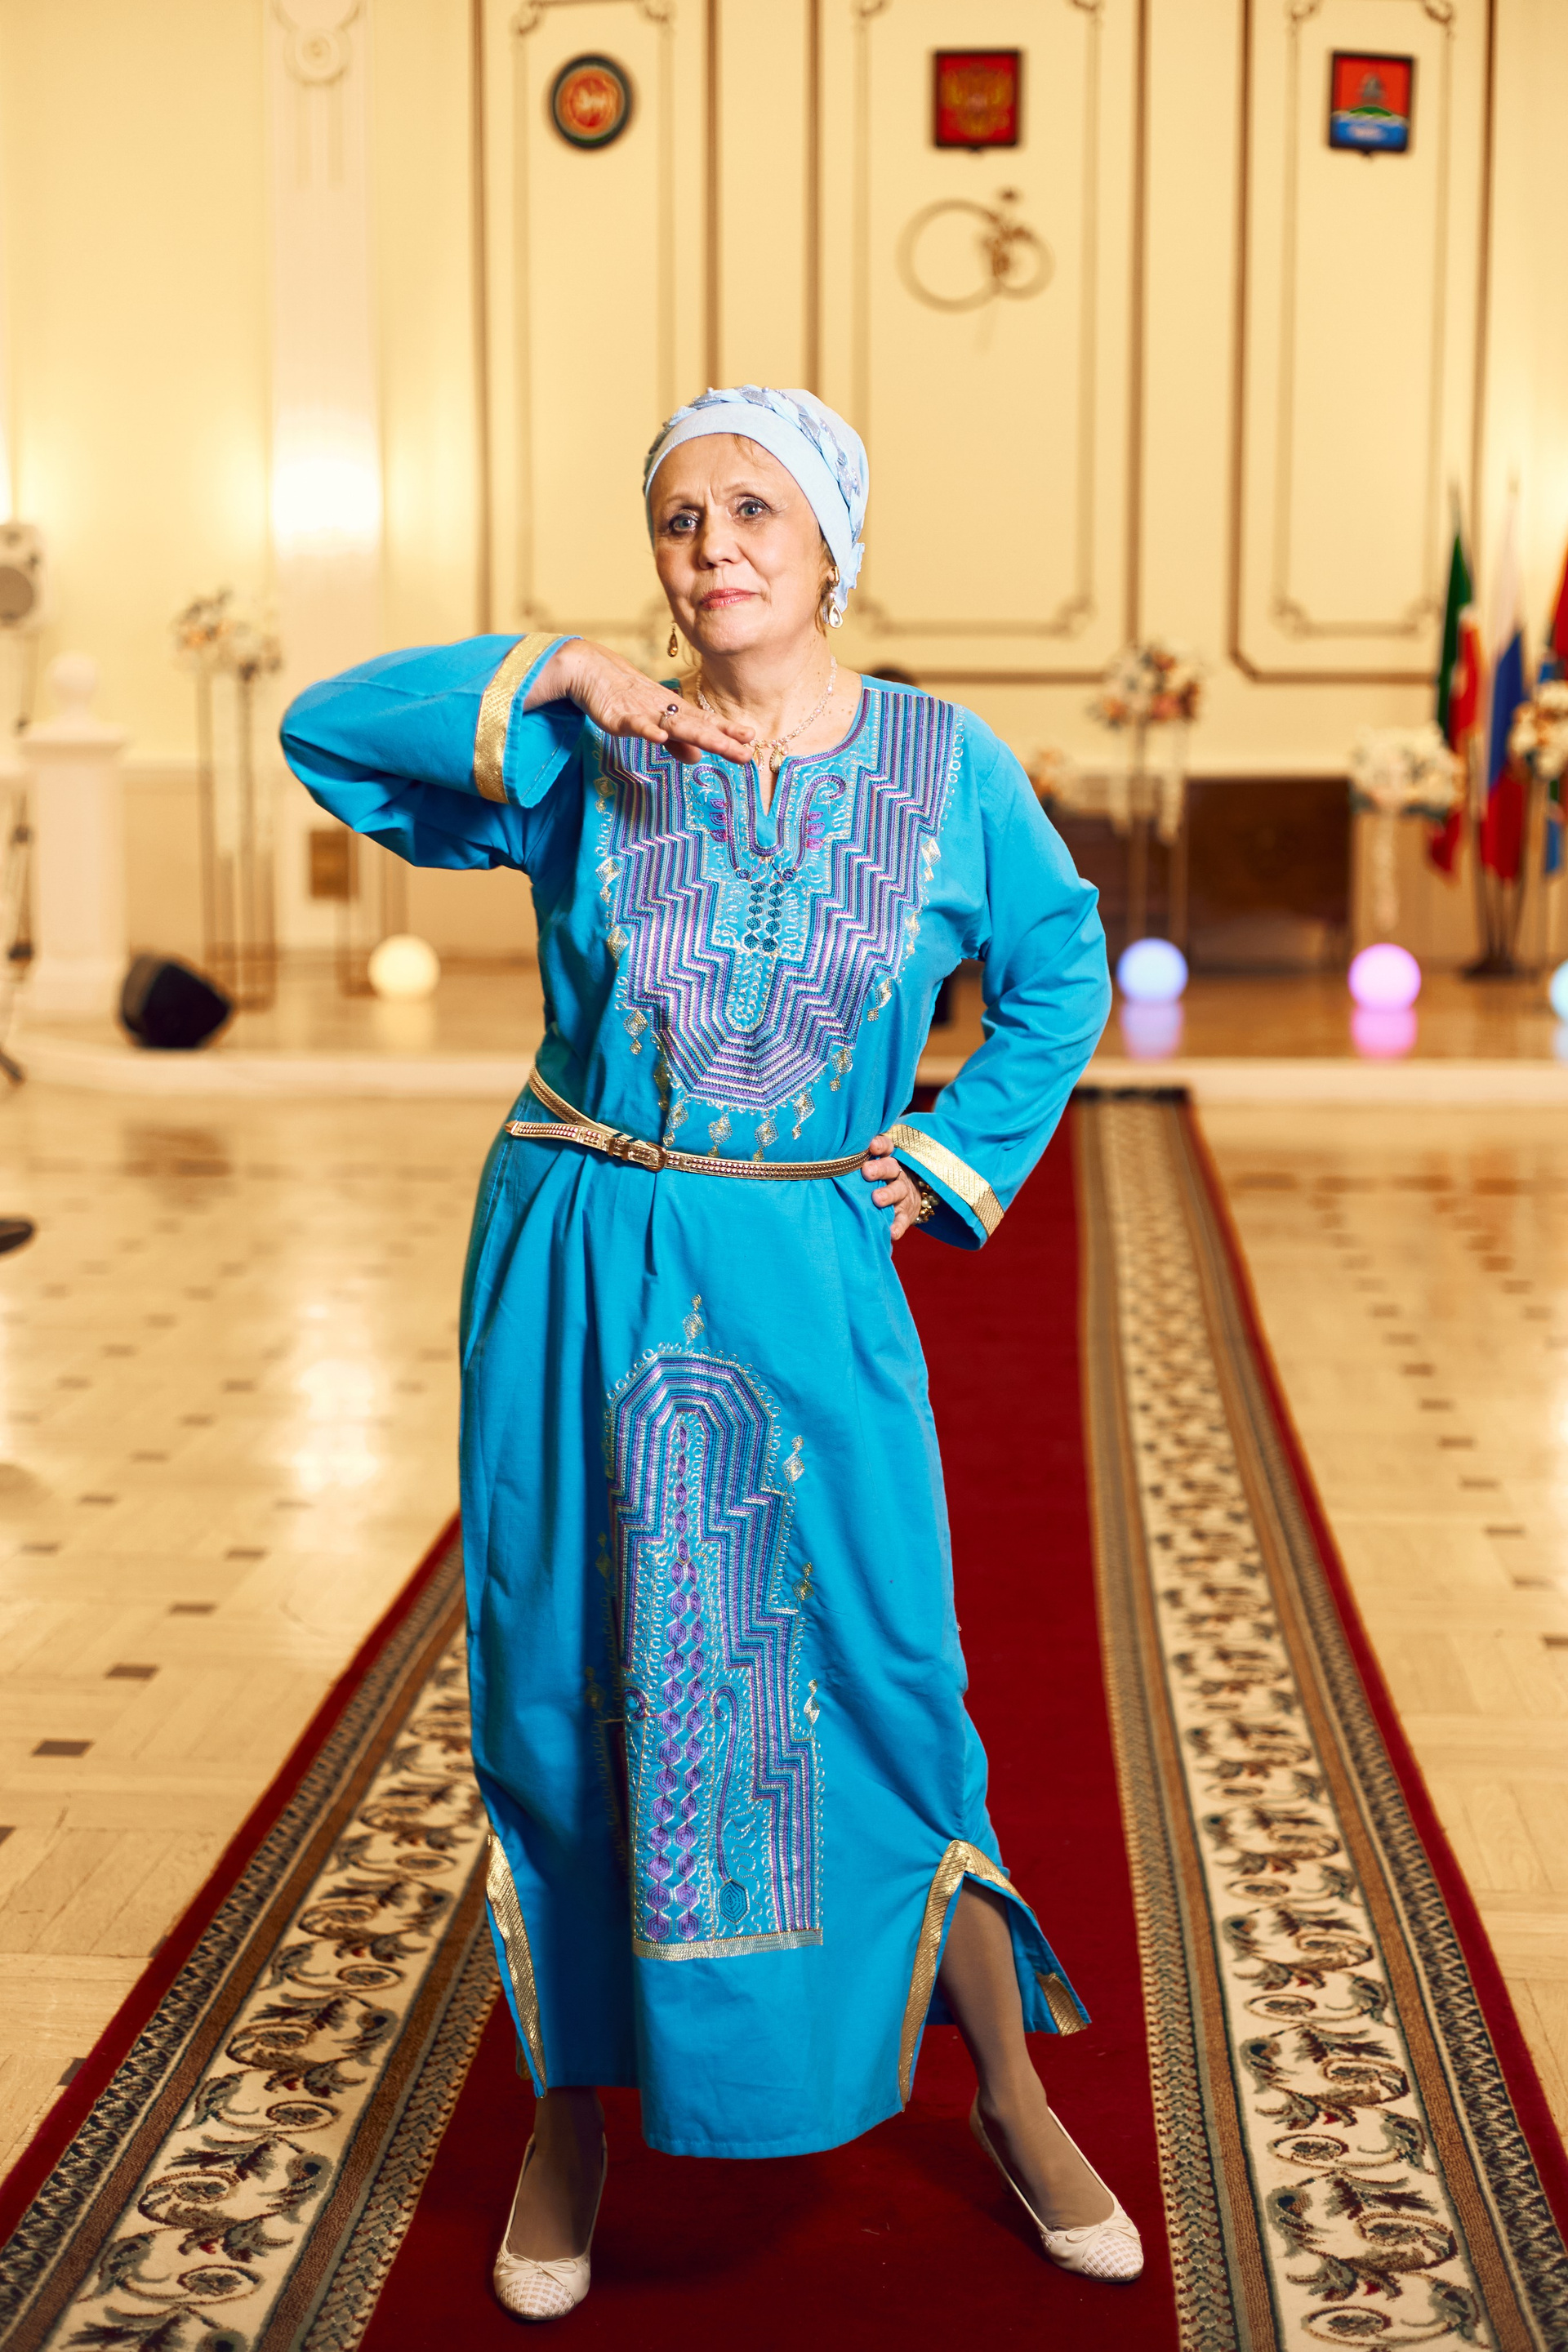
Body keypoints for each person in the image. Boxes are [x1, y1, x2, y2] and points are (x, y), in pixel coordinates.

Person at [282, 384, 1131, 2322]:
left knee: (887, 1673)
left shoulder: (943, 763)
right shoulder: (589, 748)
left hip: (807, 1257)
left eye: (756, 509)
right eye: (679, 517)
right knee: (570, 1679)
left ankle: (1011, 2096)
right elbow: (328, 731)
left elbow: (1061, 962)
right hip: (579, 1240)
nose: (714, 546)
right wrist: (558, 669)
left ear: (834, 545)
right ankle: (571, 2117)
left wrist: (956, 1152)